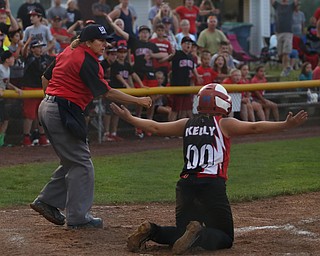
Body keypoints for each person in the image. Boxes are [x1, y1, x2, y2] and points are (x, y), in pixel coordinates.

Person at [109, 83, 308, 255]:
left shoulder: (187, 123)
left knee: (181, 232)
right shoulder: (224, 124)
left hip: (185, 185)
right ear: (220, 103)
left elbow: (156, 127)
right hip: (211, 185)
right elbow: (255, 127)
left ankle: (152, 230)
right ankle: (199, 233)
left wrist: (131, 119)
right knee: (225, 237)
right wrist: (285, 124)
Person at [29, 24, 152, 229]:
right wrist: (138, 101)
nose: (105, 44)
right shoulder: (86, 59)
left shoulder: (69, 51)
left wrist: (51, 100)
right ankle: (77, 217)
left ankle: (47, 201)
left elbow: (45, 78)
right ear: (88, 42)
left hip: (49, 107)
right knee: (82, 163)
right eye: (101, 41)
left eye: (106, 41)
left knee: (73, 161)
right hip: (61, 109)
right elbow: (106, 92)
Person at [21, 39, 54, 146]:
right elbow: (24, 53)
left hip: (41, 88)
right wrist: (27, 42)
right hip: (30, 88)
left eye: (41, 47)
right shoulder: (29, 59)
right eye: (38, 47)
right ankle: (26, 138)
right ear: (32, 49)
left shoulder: (45, 58)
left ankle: (42, 137)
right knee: (29, 115)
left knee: (41, 115)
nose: (40, 49)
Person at [0, 50, 22, 146]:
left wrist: (15, 88)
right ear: (7, 59)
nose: (13, 59)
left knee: (5, 119)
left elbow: (6, 83)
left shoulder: (7, 69)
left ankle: (1, 141)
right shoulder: (0, 68)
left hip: (2, 98)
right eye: (12, 58)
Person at [271, 0, 298, 77]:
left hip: (288, 32)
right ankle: (287, 67)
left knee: (286, 52)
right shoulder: (277, 5)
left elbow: (296, 2)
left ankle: (285, 69)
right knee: (280, 54)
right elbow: (272, 2)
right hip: (279, 32)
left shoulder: (291, 6)